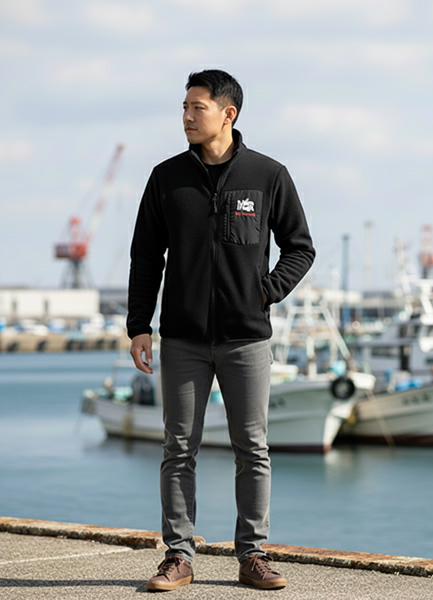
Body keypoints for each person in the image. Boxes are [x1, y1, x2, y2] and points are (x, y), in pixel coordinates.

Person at [127, 69, 315, 592]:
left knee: (252, 448)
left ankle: (253, 555)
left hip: (246, 338)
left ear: (228, 113)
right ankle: (178, 557)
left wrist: (266, 291)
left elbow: (300, 247)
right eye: (184, 108)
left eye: (198, 107)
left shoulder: (268, 175)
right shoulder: (166, 178)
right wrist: (138, 325)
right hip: (182, 337)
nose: (187, 117)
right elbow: (146, 256)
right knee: (178, 448)